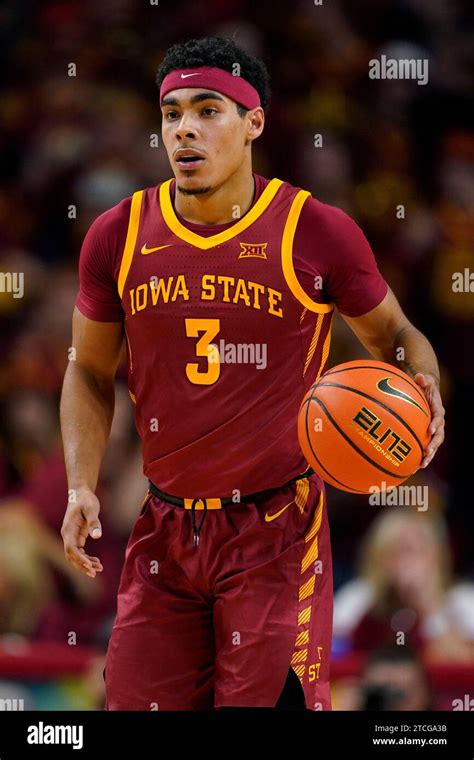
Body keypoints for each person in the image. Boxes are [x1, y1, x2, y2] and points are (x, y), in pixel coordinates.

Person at [60, 36, 445, 711]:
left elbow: (398, 337)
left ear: (254, 122)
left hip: (275, 531)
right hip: (164, 528)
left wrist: (425, 389)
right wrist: (80, 483)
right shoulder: (118, 234)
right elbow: (89, 372)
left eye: (209, 110)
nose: (185, 127)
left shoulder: (314, 230)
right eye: (172, 112)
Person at [333, 509, 474, 661]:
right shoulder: (358, 597)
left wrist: (429, 607)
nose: (408, 563)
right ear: (379, 559)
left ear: (438, 557)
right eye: (399, 551)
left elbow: (461, 661)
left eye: (417, 551)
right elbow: (327, 649)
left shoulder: (462, 600)